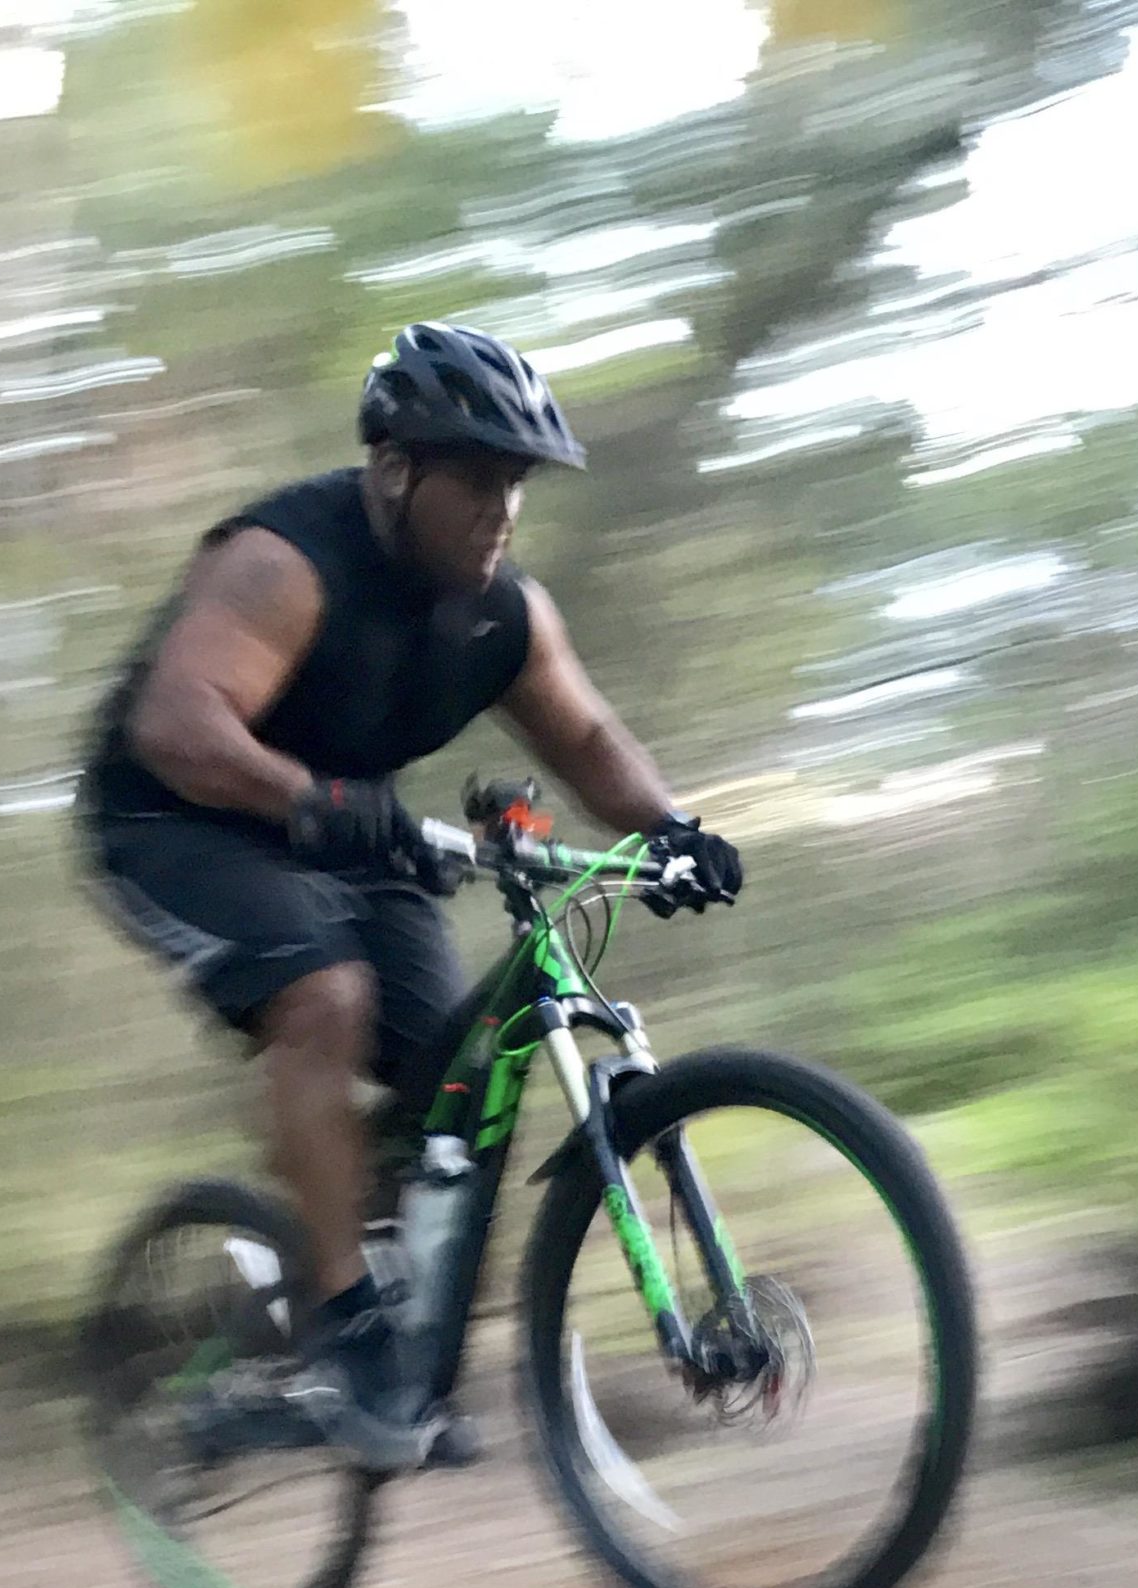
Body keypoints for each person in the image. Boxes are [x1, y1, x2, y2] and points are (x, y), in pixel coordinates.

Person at [80, 323, 743, 1471]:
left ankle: (349, 1294)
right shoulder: (285, 563)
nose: (500, 511)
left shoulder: (502, 615)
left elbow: (583, 732)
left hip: (346, 825)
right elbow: (178, 728)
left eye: (515, 486)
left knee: (459, 1067)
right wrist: (311, 799)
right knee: (322, 997)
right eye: (476, 481)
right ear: (395, 467)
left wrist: (674, 831)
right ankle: (346, 1330)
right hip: (171, 815)